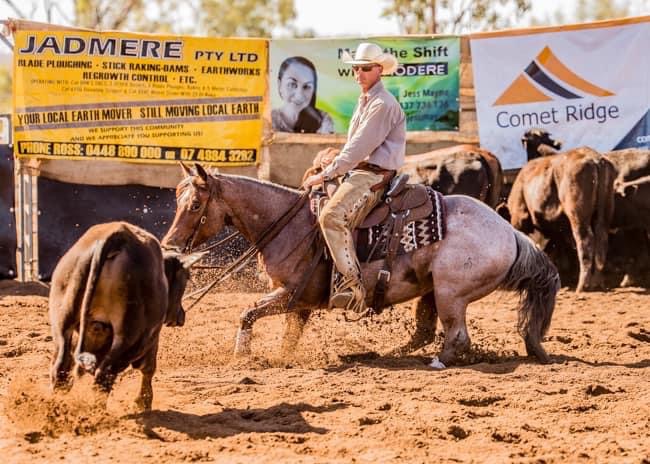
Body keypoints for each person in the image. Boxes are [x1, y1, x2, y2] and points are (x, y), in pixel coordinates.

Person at [302, 42, 406, 314]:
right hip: (360, 171)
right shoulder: (367, 101)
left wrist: (326, 173)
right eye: (356, 69)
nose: (359, 73)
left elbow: (359, 148)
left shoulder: (382, 104)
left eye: (365, 68)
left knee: (331, 217)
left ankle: (352, 288)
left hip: (371, 176)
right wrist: (337, 163)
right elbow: (356, 148)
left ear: (379, 70)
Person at [272, 56, 334, 134]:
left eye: (306, 87)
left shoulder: (323, 120)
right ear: (279, 85)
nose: (299, 95)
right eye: (292, 84)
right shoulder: (268, 119)